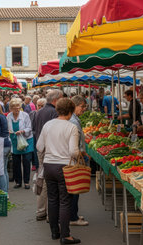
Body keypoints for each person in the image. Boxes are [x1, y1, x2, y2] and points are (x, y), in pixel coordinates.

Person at [37, 98, 81, 244]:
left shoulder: (48, 125)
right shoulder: (71, 127)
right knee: (65, 201)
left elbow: (39, 146)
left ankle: (54, 232)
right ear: (71, 111)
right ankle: (65, 235)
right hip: (64, 168)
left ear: (57, 110)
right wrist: (80, 155)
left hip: (48, 166)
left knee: (52, 199)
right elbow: (74, 152)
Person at [33, 89, 63, 222]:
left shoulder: (39, 112)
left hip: (40, 148)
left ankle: (40, 210)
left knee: (42, 179)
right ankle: (49, 213)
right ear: (56, 100)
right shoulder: (54, 112)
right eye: (61, 99)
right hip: (48, 150)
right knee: (48, 182)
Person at [68, 95, 89, 226]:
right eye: (82, 106)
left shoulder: (75, 119)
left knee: (74, 188)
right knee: (74, 188)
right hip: (74, 158)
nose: (84, 109)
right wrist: (83, 154)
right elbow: (75, 144)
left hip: (74, 157)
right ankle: (72, 217)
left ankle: (73, 214)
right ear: (75, 106)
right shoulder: (73, 122)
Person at [7, 98, 34, 189]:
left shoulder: (25, 115)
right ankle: (18, 182)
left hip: (26, 141)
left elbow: (29, 128)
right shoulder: (9, 116)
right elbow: (8, 128)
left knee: (26, 161)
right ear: (11, 108)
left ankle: (26, 182)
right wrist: (9, 132)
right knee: (16, 162)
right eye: (14, 107)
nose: (16, 109)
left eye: (18, 107)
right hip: (15, 141)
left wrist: (22, 131)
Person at [29, 98, 47, 171]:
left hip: (43, 135)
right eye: (38, 105)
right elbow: (30, 125)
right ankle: (36, 165)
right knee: (35, 151)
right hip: (35, 135)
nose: (39, 107)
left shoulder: (46, 114)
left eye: (42, 106)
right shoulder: (33, 113)